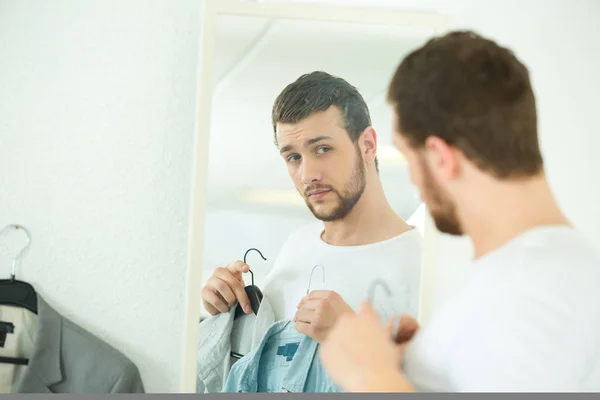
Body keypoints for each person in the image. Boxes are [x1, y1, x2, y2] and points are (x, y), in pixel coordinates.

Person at [319, 31, 600, 392]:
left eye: (409, 158)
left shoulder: (524, 295)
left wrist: (371, 376)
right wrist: (434, 359)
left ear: (439, 157)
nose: (414, 180)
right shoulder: (553, 269)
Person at [201, 71, 423, 343]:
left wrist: (354, 339)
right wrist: (224, 301)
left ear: (367, 145)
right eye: (294, 157)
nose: (307, 175)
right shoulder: (296, 247)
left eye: (322, 149)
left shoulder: (421, 267)